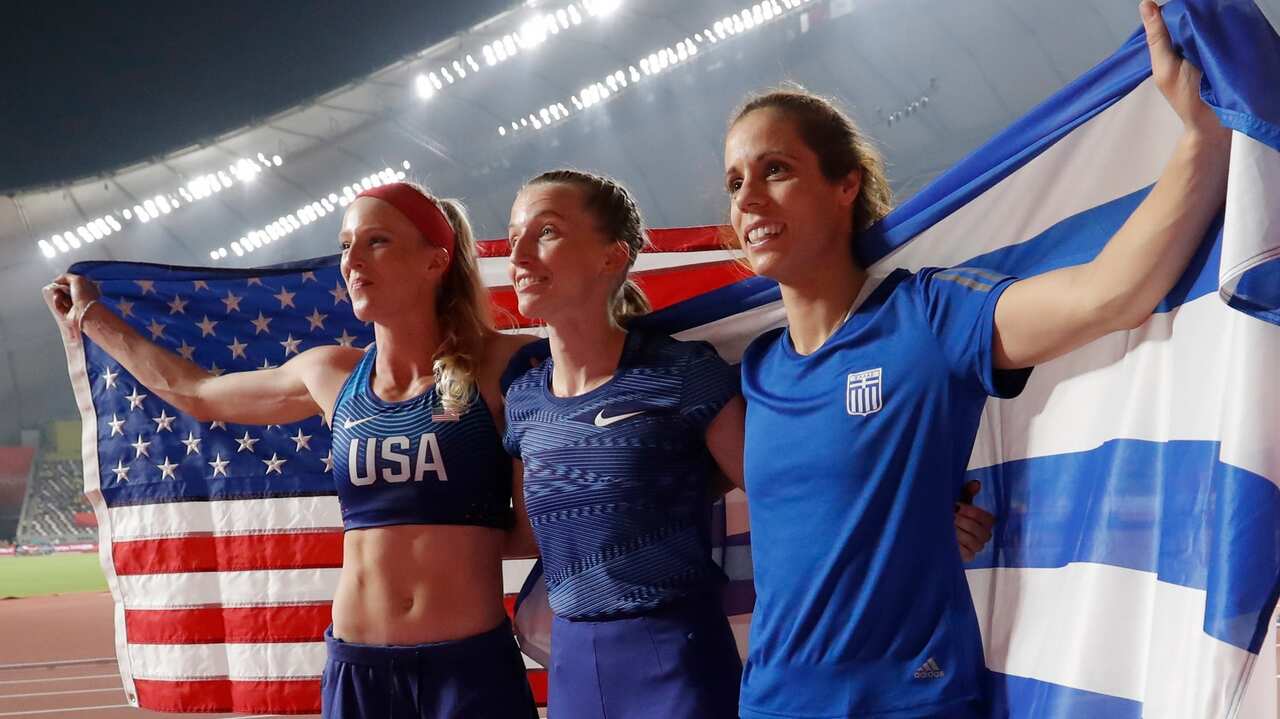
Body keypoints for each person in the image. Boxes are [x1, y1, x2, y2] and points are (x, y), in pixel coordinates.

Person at [722, 4, 1232, 718]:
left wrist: (1203, 135)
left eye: (775, 169)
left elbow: (1110, 293)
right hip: (776, 703)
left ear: (844, 187)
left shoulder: (925, 318)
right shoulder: (754, 369)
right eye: (735, 181)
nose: (749, 198)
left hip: (913, 701)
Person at [501, 169, 997, 718]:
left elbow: (795, 494)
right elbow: (525, 536)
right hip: (571, 667)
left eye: (545, 232)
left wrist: (920, 527)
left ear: (612, 257)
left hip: (673, 663)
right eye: (514, 233)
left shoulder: (683, 376)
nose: (518, 253)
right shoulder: (523, 398)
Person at [44, 182, 539, 719]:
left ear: (435, 260)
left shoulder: (507, 366)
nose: (351, 260)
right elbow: (197, 393)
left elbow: (535, 527)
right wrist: (92, 319)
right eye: (346, 245)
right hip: (359, 671)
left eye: (377, 242)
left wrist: (455, 544)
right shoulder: (330, 374)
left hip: (466, 669)